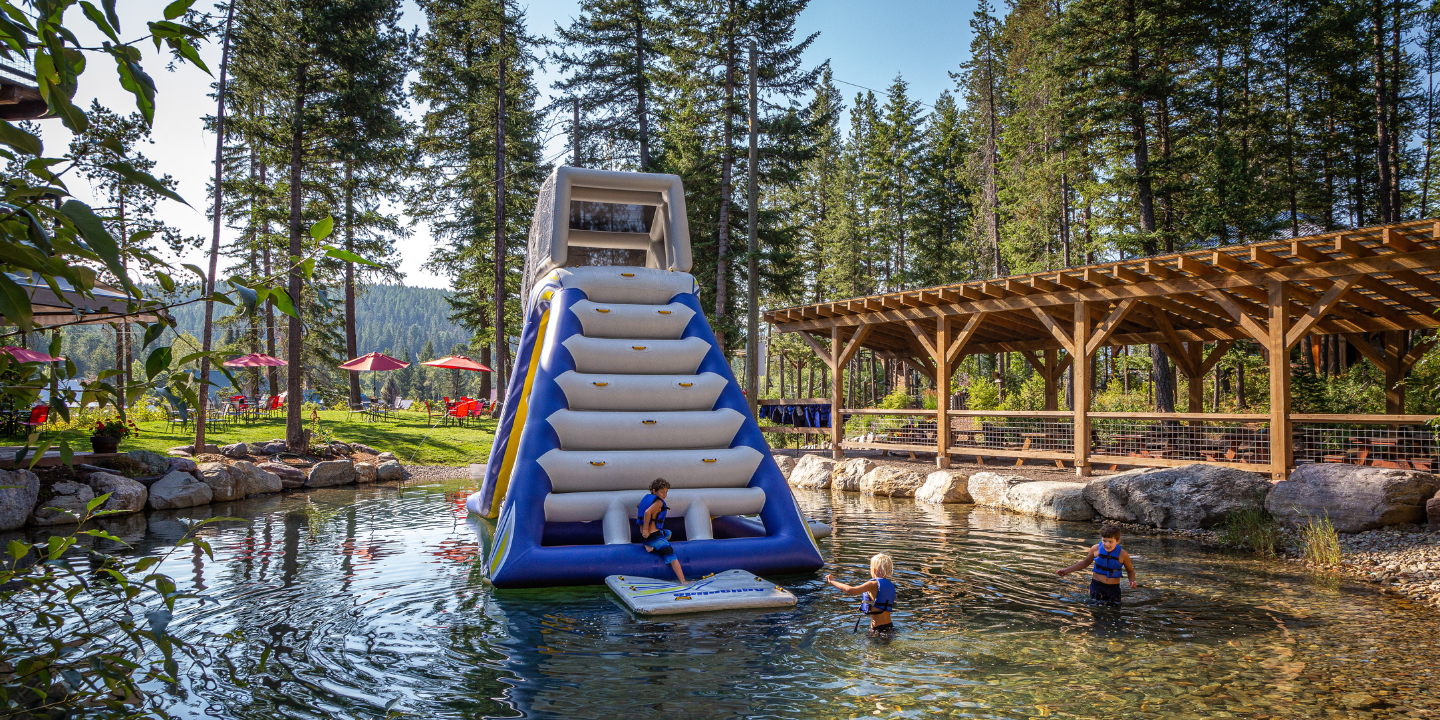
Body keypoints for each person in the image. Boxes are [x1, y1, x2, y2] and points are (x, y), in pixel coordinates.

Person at [1057, 524, 1136, 605]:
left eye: (1110, 541)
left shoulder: (1123, 554)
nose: (1107, 544)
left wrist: (1132, 581)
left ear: (1117, 541)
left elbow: (1130, 571)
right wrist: (1066, 571)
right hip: (1097, 585)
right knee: (1095, 609)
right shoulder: (1095, 549)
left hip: (1113, 588)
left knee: (1114, 612)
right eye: (1104, 540)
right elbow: (1085, 563)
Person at [825, 553, 896, 635]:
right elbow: (877, 604)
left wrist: (832, 581)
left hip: (877, 630)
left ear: (874, 570)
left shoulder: (872, 584)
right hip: (890, 627)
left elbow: (850, 590)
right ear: (888, 571)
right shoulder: (889, 585)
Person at [638, 478, 687, 584]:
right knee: (673, 557)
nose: (665, 495)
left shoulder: (646, 499)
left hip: (643, 537)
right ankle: (683, 581)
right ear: (654, 491)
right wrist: (646, 530)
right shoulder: (658, 503)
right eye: (662, 492)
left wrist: (644, 532)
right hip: (653, 536)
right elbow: (647, 512)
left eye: (666, 492)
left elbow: (639, 506)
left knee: (668, 533)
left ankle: (647, 545)